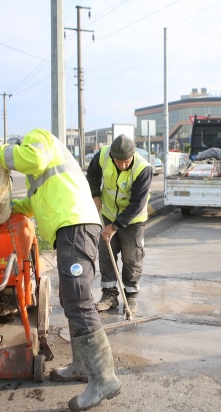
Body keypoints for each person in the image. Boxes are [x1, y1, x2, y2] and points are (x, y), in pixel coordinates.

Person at [0, 129, 121, 411]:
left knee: (78, 303)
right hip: (70, 230)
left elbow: (32, 157)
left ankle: (105, 379)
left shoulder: (37, 139)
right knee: (71, 301)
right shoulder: (40, 179)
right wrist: (0, 208)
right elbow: (29, 205)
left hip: (75, 226)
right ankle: (82, 366)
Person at [86, 134, 152, 315]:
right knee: (106, 254)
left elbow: (137, 204)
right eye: (118, 161)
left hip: (133, 219)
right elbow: (92, 174)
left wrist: (114, 227)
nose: (122, 165)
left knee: (132, 258)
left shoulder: (142, 169)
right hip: (107, 213)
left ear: (133, 156)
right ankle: (109, 295)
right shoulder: (103, 155)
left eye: (126, 162)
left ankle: (130, 296)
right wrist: (95, 194)